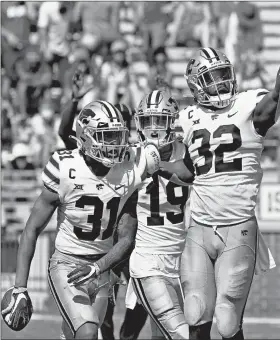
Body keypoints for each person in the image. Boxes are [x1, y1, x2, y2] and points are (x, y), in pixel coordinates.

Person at [173, 13, 280, 340]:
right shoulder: (187, 119)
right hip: (199, 227)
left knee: (228, 318)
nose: (220, 83)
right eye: (211, 78)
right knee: (195, 311)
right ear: (195, 86)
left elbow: (278, 97)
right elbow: (187, 172)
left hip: (238, 227)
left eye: (222, 75)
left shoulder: (248, 106)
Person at [1, 98, 163, 339]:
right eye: (107, 137)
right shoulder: (66, 167)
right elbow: (32, 229)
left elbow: (127, 239)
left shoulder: (131, 168)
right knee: (88, 332)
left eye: (117, 136)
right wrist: (20, 286)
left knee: (80, 334)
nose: (115, 144)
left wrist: (98, 267)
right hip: (67, 266)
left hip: (102, 269)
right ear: (86, 138)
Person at [126, 90, 194, 340]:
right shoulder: (131, 156)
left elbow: (189, 175)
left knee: (163, 335)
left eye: (160, 120)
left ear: (172, 122)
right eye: (147, 121)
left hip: (183, 260)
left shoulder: (186, 151)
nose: (154, 128)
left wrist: (158, 165)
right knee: (181, 334)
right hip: (149, 259)